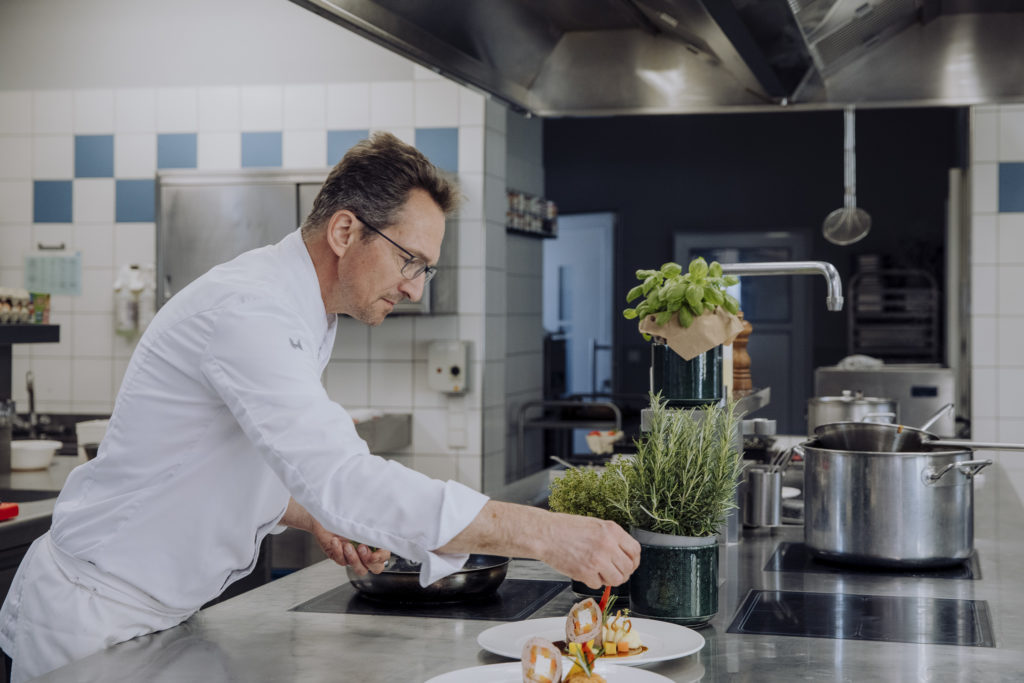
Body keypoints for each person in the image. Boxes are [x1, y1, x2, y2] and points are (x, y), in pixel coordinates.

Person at [0, 132, 640, 682]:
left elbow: (221, 464)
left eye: (427, 270)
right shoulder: (250, 310)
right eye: (410, 260)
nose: (415, 288)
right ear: (345, 231)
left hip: (155, 613)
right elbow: (345, 477)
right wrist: (542, 532)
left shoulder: (308, 312)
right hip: (94, 618)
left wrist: (312, 517)